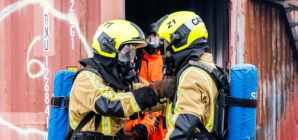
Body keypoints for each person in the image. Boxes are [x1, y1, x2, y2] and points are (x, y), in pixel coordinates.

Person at [68, 19, 176, 140]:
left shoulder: (116, 82)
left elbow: (148, 99)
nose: (131, 60)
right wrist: (154, 91)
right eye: (126, 53)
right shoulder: (86, 78)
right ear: (109, 50)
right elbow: (110, 104)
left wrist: (168, 92)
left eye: (132, 53)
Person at [155, 11, 219, 139]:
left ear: (179, 41)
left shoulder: (191, 76)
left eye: (167, 44)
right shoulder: (209, 69)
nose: (165, 51)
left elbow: (183, 129)